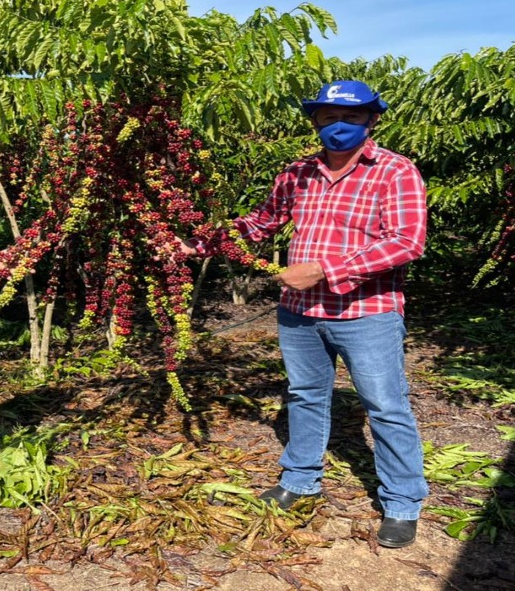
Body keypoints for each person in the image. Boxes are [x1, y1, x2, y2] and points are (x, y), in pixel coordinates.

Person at [178, 80, 428, 548]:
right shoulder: (297, 173)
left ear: (372, 120)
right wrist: (198, 244)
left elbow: (405, 242)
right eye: (328, 117)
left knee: (385, 405)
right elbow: (260, 223)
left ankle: (401, 502)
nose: (339, 127)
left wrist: (324, 270)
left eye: (351, 118)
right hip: (300, 313)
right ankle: (300, 479)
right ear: (314, 120)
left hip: (366, 313)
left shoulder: (395, 171)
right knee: (306, 395)